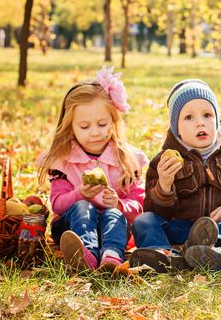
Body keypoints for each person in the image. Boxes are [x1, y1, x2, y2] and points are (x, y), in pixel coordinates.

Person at [131, 79, 221, 272]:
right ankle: (164, 255)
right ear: (176, 127)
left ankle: (216, 246)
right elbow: (155, 211)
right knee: (143, 221)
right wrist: (164, 185)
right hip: (182, 228)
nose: (200, 122)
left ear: (217, 119)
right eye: (189, 117)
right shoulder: (164, 161)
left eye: (207, 115)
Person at [39, 67, 148, 271]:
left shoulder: (126, 159)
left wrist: (119, 205)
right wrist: (79, 193)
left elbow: (140, 204)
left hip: (113, 227)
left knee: (112, 214)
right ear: (70, 127)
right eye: (84, 126)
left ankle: (111, 257)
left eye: (102, 123)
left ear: (114, 122)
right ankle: (84, 256)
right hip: (70, 225)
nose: (95, 132)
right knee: (83, 208)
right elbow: (57, 205)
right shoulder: (64, 161)